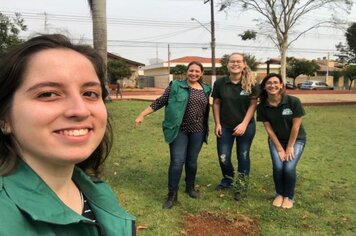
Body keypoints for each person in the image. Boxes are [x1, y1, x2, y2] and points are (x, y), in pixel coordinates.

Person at [0, 34, 136, 235]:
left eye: (90, 93)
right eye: (48, 94)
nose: (80, 110)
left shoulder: (97, 192)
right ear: (5, 119)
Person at [135, 61, 211, 209]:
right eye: (191, 71)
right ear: (186, 72)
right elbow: (161, 101)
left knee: (192, 161)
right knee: (177, 162)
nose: (193, 74)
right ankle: (172, 195)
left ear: (201, 73)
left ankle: (190, 188)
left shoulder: (206, 89)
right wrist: (142, 114)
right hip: (179, 130)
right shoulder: (176, 85)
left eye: (197, 71)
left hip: (198, 131)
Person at [212, 52, 258, 201]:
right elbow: (217, 103)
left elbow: (253, 105)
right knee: (223, 156)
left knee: (243, 155)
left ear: (244, 64)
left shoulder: (251, 82)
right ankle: (228, 179)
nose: (235, 64)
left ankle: (241, 185)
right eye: (232, 61)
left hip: (246, 126)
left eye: (238, 61)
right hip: (224, 126)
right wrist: (217, 123)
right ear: (228, 65)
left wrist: (244, 124)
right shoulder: (220, 83)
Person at [257, 73, 306, 209]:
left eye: (275, 82)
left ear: (281, 85)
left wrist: (290, 147)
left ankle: (289, 196)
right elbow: (269, 129)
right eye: (268, 83)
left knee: (289, 167)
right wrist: (279, 148)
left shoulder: (293, 102)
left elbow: (296, 127)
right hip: (276, 141)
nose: (272, 85)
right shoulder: (262, 106)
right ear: (264, 87)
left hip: (296, 140)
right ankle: (279, 193)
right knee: (278, 167)